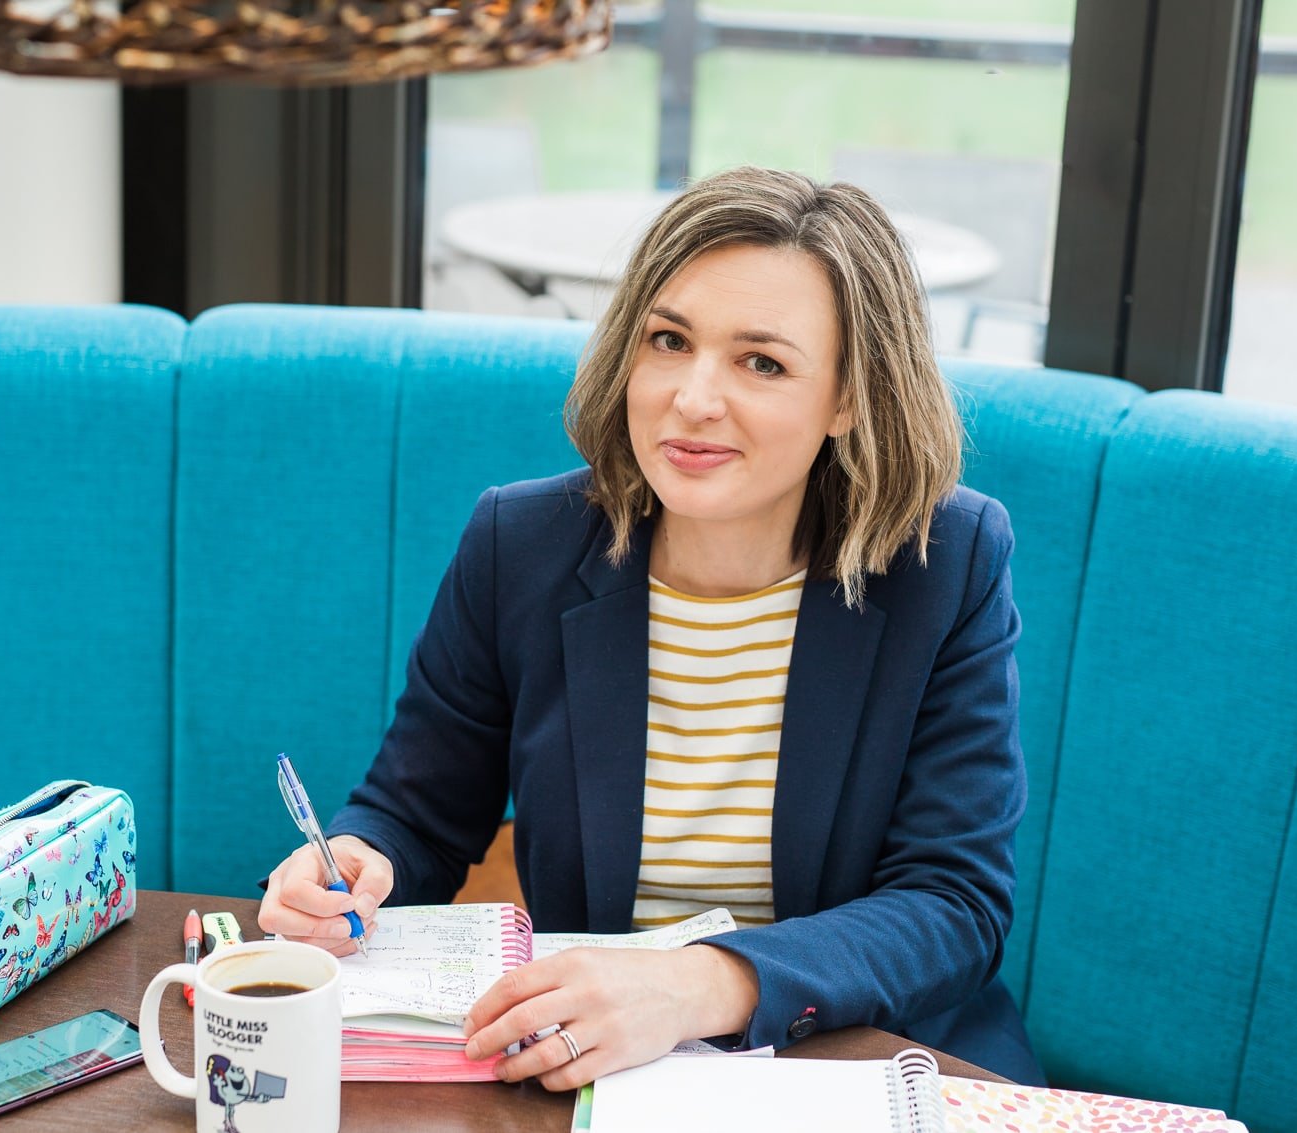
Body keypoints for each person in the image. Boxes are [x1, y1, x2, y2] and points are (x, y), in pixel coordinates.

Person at [257, 165, 1042, 1088]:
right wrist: (356, 861)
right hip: (603, 1074)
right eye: (669, 340)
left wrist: (692, 987)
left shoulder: (943, 562)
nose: (693, 399)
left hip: (866, 1065)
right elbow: (414, 811)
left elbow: (954, 905)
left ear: (849, 398)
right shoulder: (521, 544)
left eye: (762, 362)